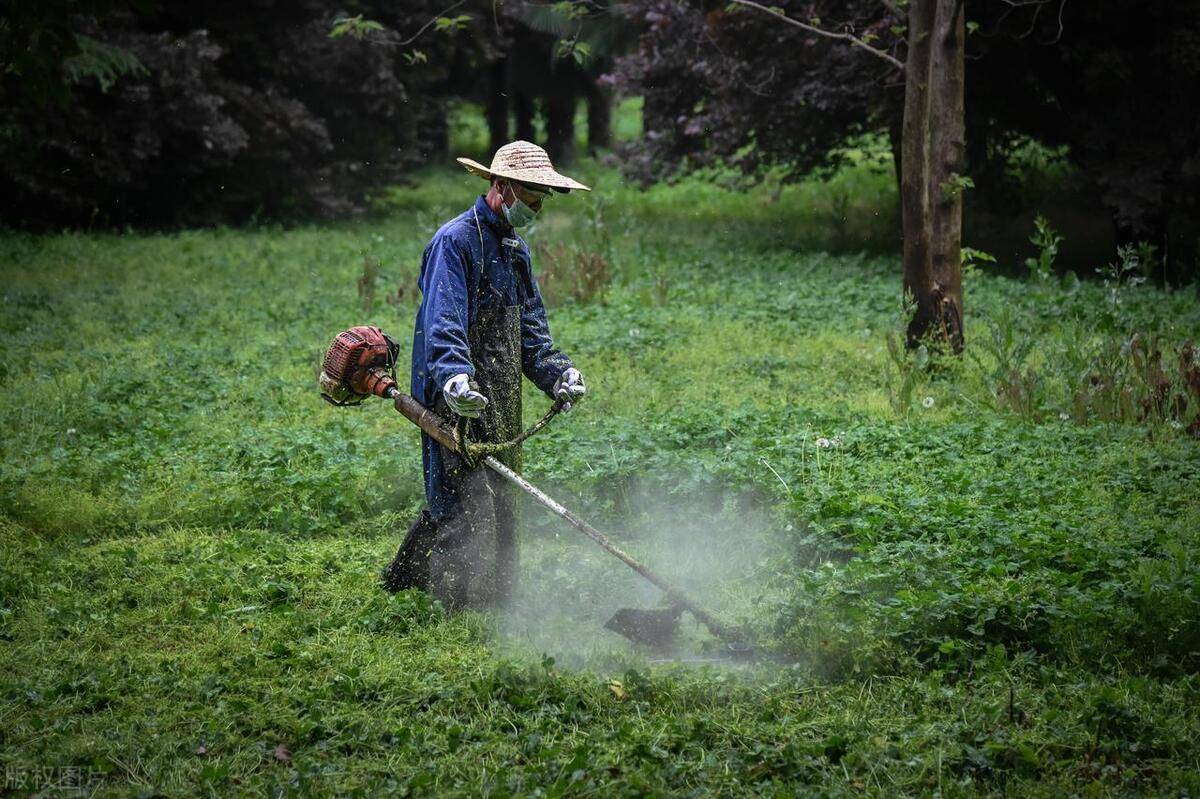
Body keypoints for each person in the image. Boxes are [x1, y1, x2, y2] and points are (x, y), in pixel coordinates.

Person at [381, 141, 589, 609]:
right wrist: (455, 378)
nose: (536, 207)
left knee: (501, 497)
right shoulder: (454, 242)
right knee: (462, 500)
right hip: (450, 394)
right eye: (531, 196)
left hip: (500, 394)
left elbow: (529, 329)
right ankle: (456, 610)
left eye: (542, 199)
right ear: (501, 186)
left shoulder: (516, 249)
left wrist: (559, 372)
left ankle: (479, 598)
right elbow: (443, 321)